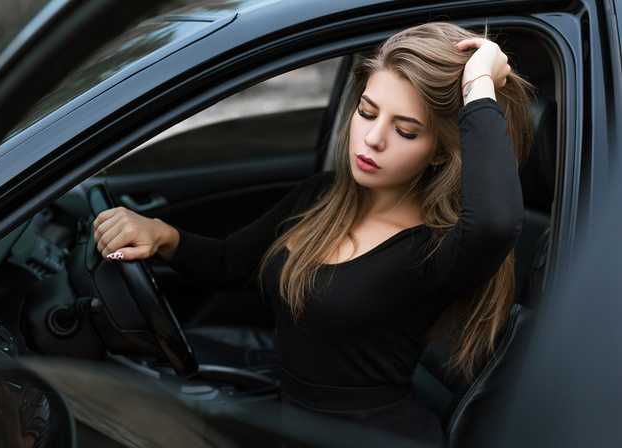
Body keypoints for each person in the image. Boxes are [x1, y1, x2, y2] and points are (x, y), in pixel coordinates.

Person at [93, 22, 533, 447]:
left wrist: (478, 85)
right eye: (367, 111)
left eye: (405, 130)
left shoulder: (436, 249)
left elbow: (495, 223)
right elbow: (231, 263)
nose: (372, 139)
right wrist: (162, 235)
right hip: (296, 428)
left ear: (439, 152)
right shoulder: (318, 197)